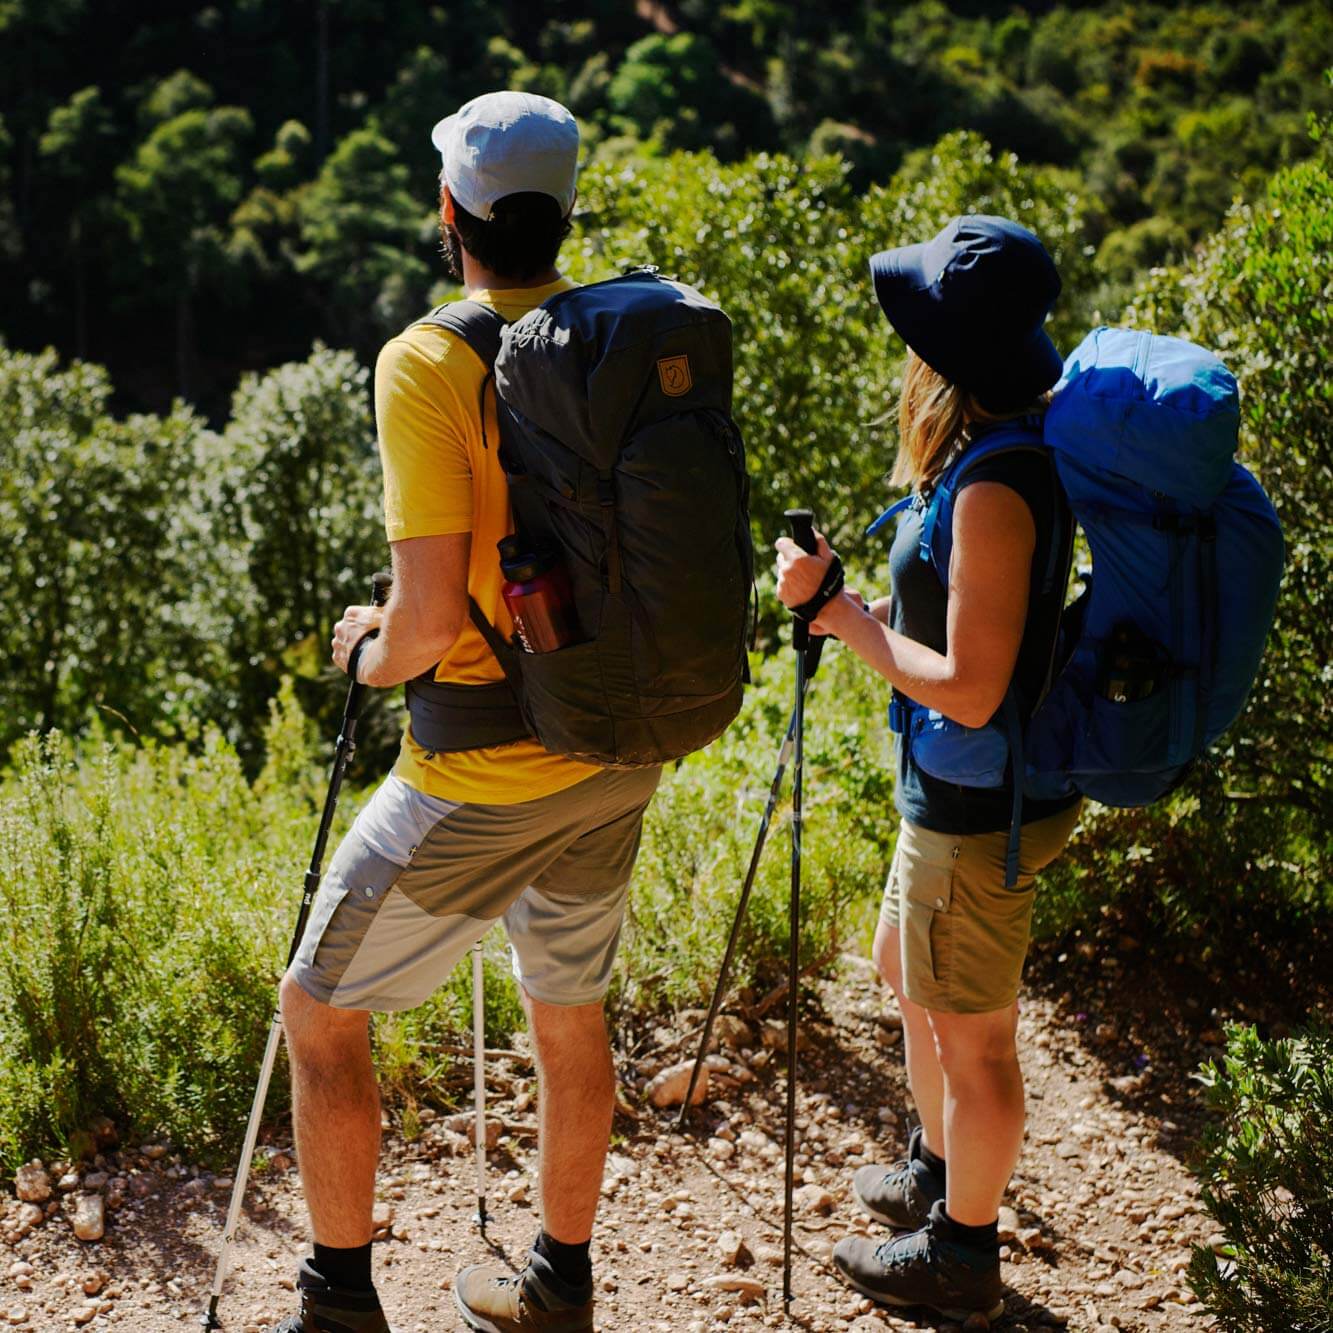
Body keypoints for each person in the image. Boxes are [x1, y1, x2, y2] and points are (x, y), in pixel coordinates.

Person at [275, 91, 660, 1333]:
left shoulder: (429, 360)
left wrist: (367, 652)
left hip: (487, 770)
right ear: (565, 214)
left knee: (318, 1012)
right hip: (616, 744)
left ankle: (337, 1304)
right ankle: (558, 1281)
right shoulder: (620, 337)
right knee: (569, 1005)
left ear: (451, 213)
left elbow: (429, 624)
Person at [774, 215, 1081, 1323]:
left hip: (976, 797)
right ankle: (934, 1166)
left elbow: (970, 684)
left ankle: (963, 1252)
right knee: (908, 970)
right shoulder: (988, 452)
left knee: (972, 1031)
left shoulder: (1001, 485)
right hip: (956, 789)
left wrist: (837, 614)